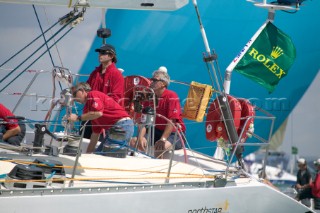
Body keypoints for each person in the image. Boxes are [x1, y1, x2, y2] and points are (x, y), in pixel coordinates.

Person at [130, 67, 186, 158]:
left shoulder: (172, 96)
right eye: (151, 79)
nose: (151, 82)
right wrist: (140, 137)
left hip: (174, 134)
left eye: (154, 80)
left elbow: (172, 121)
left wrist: (163, 139)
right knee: (134, 142)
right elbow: (145, 121)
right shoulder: (150, 96)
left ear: (163, 84)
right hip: (156, 131)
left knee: (160, 147)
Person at [68, 82, 133, 153]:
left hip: (121, 126)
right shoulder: (90, 110)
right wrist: (87, 155)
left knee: (106, 156)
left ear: (82, 90)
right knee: (98, 154)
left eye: (75, 94)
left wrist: (78, 118)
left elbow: (98, 113)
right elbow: (95, 135)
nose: (74, 98)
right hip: (117, 128)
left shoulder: (92, 94)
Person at [81, 43, 125, 139]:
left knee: (97, 146)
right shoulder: (95, 72)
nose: (100, 54)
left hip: (104, 117)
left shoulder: (117, 75)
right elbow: (87, 90)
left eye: (103, 52)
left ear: (111, 56)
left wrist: (99, 109)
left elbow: (115, 98)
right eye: (99, 52)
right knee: (82, 142)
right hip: (90, 114)